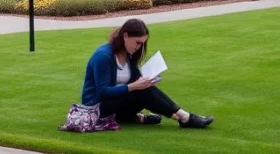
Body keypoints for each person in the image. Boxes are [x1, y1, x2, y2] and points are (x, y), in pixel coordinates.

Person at [77, 19, 213, 129]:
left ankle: (179, 117)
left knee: (145, 88)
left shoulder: (129, 55)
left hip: (116, 105)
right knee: (141, 90)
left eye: (142, 44)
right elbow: (102, 92)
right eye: (137, 42)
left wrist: (146, 80)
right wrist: (133, 86)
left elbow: (135, 82)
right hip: (96, 109)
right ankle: (185, 117)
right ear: (125, 36)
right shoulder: (103, 56)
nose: (139, 47)